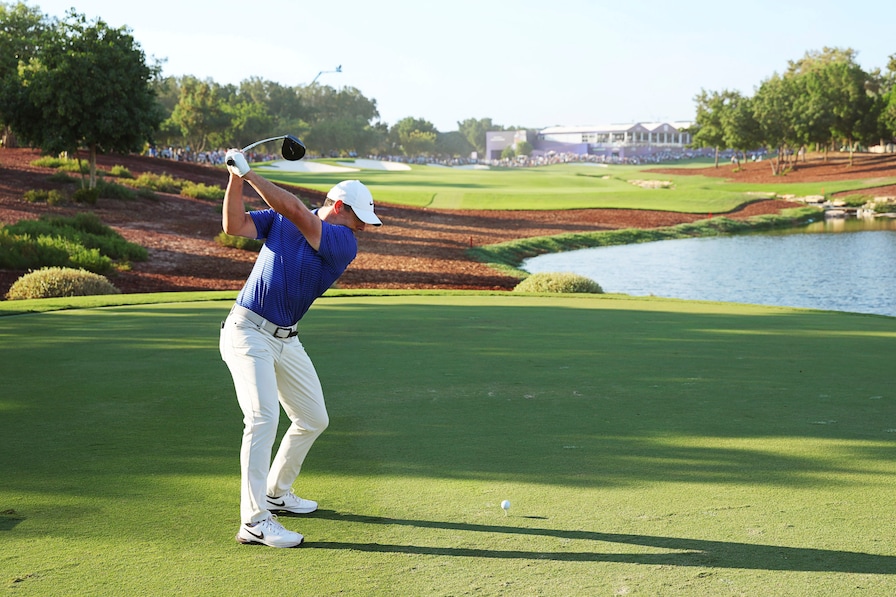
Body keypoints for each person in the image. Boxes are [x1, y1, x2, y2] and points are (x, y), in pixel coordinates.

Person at [218, 148, 381, 548]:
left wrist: (249, 173)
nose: (362, 228)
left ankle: (276, 492)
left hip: (286, 339)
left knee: (313, 418)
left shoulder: (342, 242)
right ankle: (255, 520)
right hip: (247, 331)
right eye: (359, 219)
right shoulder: (282, 219)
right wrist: (236, 178)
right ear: (339, 206)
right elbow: (234, 225)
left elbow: (294, 210)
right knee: (262, 418)